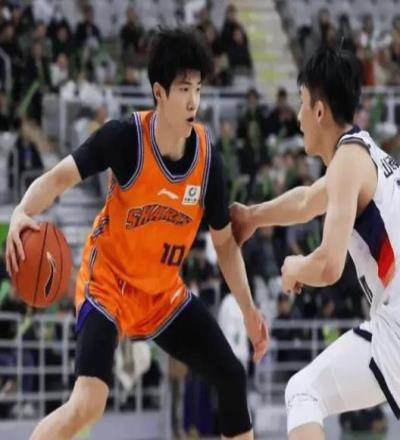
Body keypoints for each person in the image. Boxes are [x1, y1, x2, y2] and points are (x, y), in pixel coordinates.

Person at [5, 27, 268, 440]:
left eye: (198, 89)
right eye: (184, 89)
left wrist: (249, 310)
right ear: (159, 92)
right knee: (89, 402)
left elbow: (225, 245)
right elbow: (57, 179)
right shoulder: (125, 138)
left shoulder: (207, 160)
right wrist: (22, 211)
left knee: (232, 376)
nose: (194, 101)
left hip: (161, 294)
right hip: (107, 283)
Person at [230, 46, 400, 440]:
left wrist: (295, 267)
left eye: (301, 103)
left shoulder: (348, 161)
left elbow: (328, 266)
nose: (298, 117)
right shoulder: (363, 153)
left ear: (319, 111)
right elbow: (306, 201)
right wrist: (252, 216)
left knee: (303, 392)